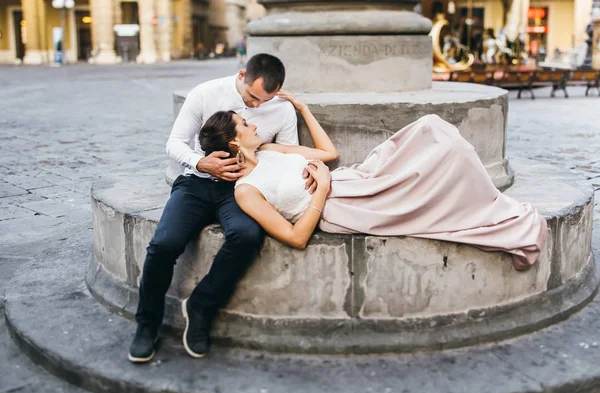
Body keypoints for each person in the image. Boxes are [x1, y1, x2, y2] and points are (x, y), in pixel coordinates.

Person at [199, 92, 547, 271]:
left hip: (351, 181)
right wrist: (320, 189)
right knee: (432, 169)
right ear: (233, 142)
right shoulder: (246, 191)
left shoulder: (272, 147)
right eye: (244, 125)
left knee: (431, 128)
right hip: (341, 208)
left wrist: (304, 110)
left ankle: (482, 197)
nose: (254, 125)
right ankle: (495, 218)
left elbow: (329, 153)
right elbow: (296, 237)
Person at [128, 54, 299, 363]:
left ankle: (201, 306)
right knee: (164, 243)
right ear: (242, 75)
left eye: (266, 100)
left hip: (243, 189)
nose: (258, 106)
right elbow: (175, 143)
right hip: (196, 183)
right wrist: (200, 162)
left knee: (247, 236)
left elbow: (288, 156)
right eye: (252, 97)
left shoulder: (282, 109)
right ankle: (146, 325)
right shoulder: (205, 93)